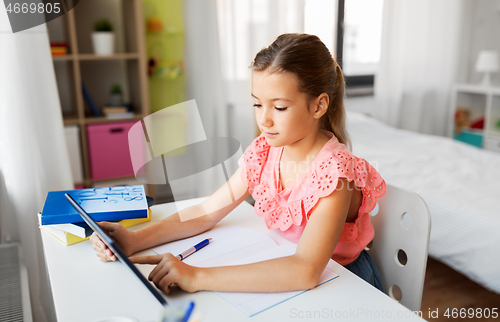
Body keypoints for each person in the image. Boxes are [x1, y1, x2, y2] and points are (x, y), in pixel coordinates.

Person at [90, 33, 386, 294]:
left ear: (319, 105)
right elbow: (207, 211)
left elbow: (305, 270)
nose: (263, 119)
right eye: (258, 103)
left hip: (344, 284)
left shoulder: (335, 173)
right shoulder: (266, 152)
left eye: (279, 107)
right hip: (288, 270)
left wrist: (196, 276)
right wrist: (133, 239)